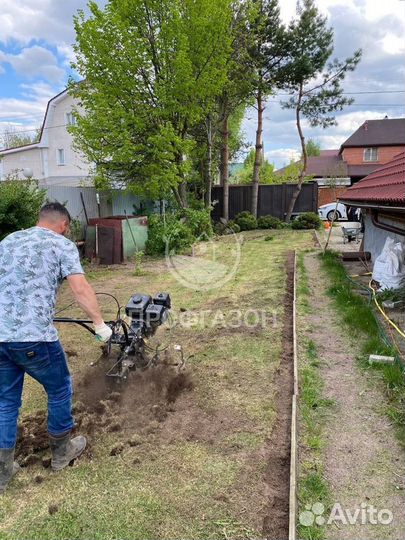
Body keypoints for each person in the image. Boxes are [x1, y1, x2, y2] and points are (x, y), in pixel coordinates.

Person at [0, 202, 112, 492]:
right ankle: (62, 453)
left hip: (1, 336)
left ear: (39, 219)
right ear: (63, 224)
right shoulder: (61, 244)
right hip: (34, 337)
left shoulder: (9, 240)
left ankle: (3, 471)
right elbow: (79, 288)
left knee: (6, 402)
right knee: (60, 387)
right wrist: (100, 325)